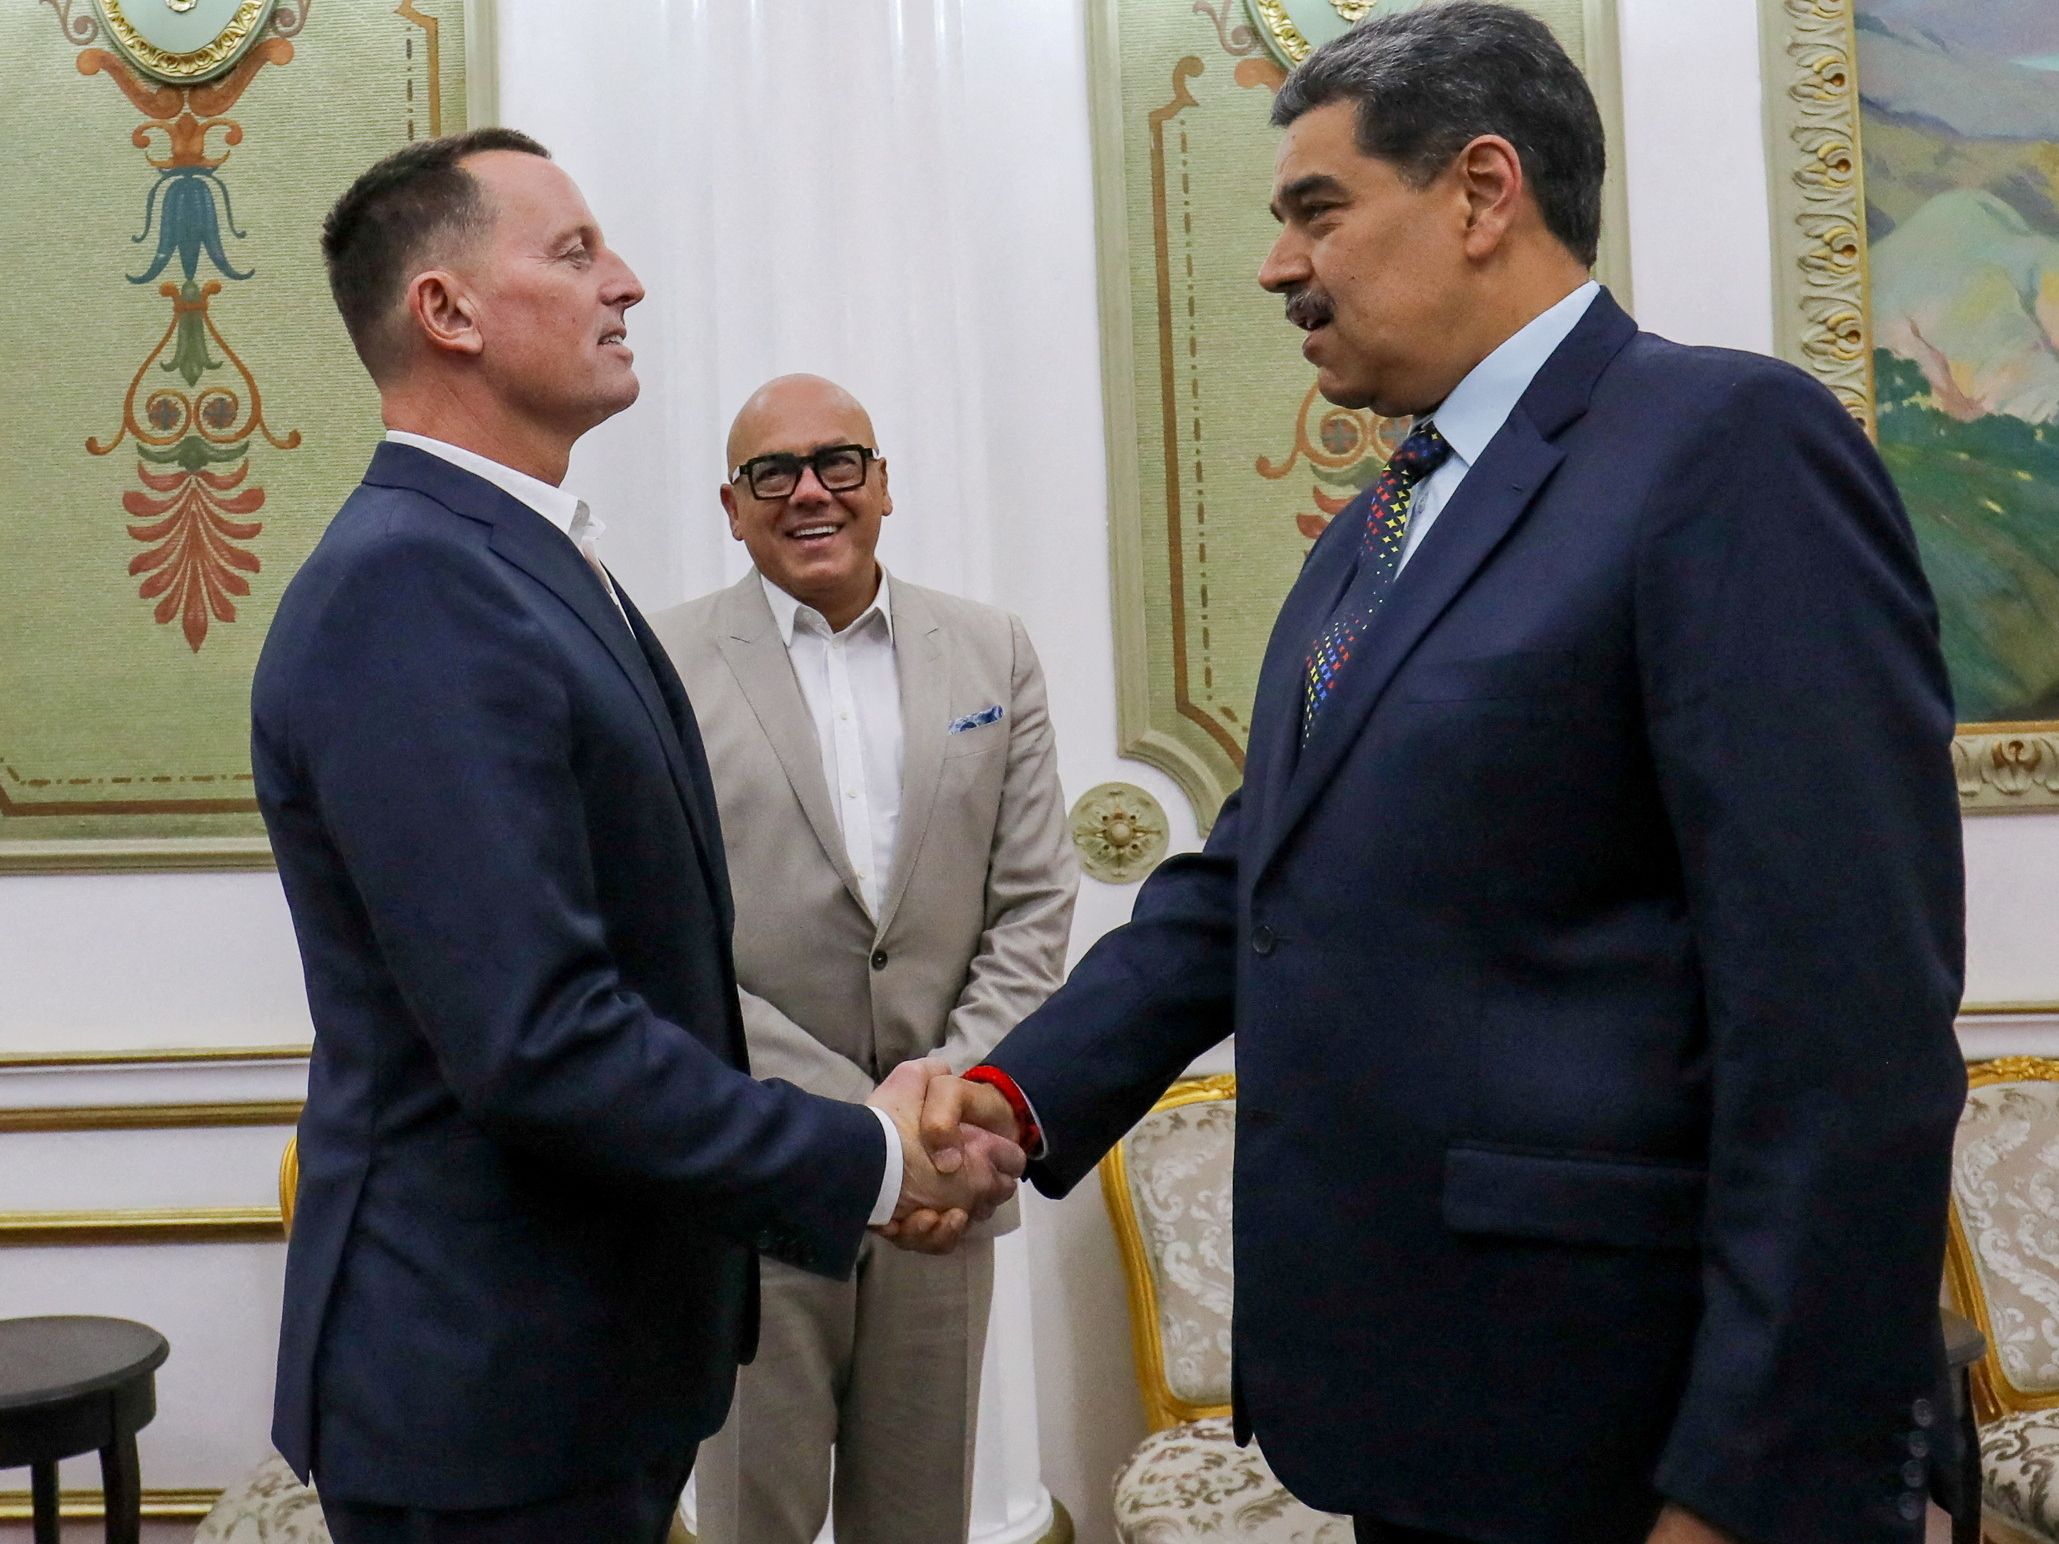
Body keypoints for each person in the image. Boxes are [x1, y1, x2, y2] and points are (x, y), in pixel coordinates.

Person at [915, 6, 1967, 1542]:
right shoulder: (1372, 531)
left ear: (1482, 192)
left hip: (1636, 1434)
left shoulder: (1726, 446)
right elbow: (1242, 886)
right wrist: (1013, 1095)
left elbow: (1844, 1020)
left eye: (1314, 210)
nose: (1277, 266)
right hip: (1423, 1421)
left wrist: (1749, 1481)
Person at [251, 130, 1017, 1544]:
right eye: (574, 251)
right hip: (487, 1390)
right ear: (449, 312)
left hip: (585, 1364)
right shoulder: (413, 587)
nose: (628, 283)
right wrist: (865, 1156)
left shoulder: (524, 563)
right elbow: (536, 1037)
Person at [649, 373, 1078, 1544]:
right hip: (763, 1174)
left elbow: (1034, 903)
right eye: (769, 474)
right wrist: (872, 1139)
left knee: (921, 1524)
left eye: (838, 462)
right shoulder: (660, 662)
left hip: (950, 1179)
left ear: (882, 483)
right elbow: (668, 941)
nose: (808, 492)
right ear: (729, 508)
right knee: (757, 1524)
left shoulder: (992, 650)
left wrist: (944, 1118)